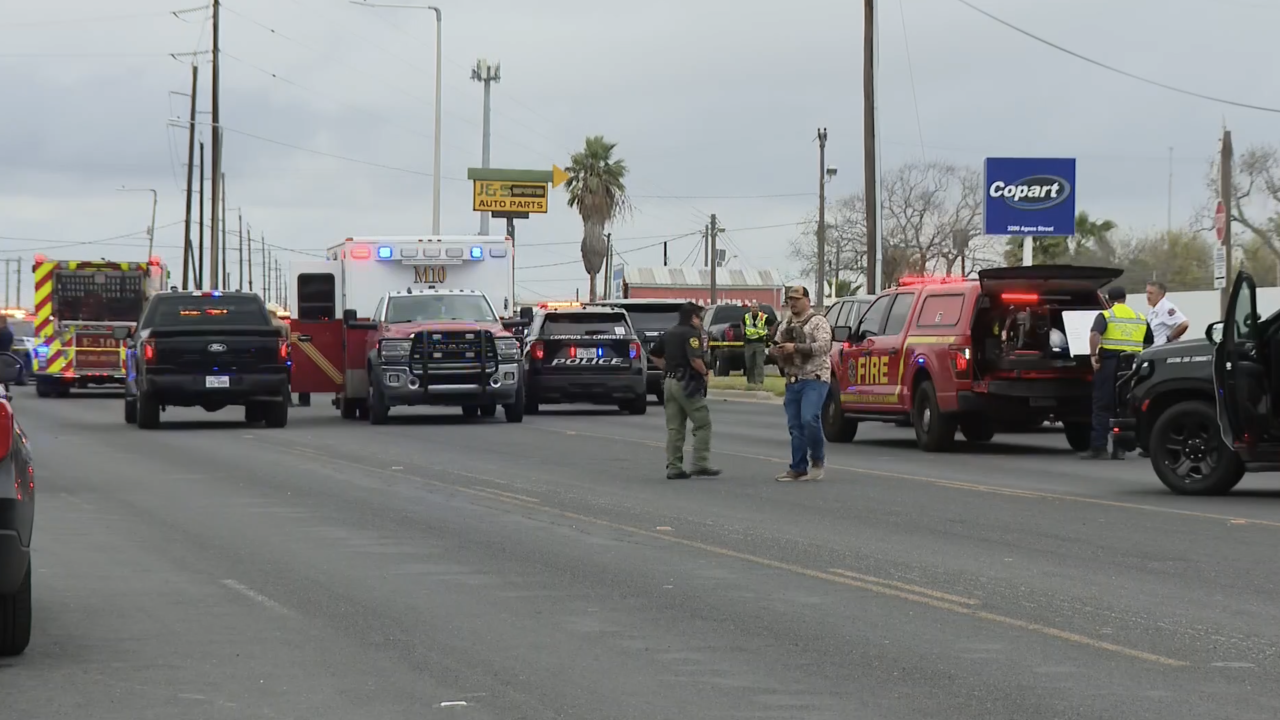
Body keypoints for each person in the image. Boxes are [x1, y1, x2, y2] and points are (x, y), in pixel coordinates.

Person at [648, 302, 721, 479]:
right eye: (700, 317)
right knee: (703, 423)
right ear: (693, 317)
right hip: (686, 382)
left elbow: (653, 354)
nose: (701, 321)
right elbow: (695, 359)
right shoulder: (691, 334)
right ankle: (700, 463)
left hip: (670, 382)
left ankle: (674, 467)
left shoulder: (670, 332)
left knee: (675, 427)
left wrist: (667, 367)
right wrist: (705, 373)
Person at [771, 285, 833, 481]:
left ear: (807, 300)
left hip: (814, 378)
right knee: (795, 425)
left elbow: (825, 346)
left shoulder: (818, 322)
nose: (793, 303)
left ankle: (817, 461)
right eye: (790, 299)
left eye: (797, 299)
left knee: (809, 419)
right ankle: (798, 467)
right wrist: (776, 351)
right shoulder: (785, 324)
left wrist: (796, 347)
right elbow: (775, 344)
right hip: (793, 379)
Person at [1083, 285, 1151, 460]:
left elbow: (1094, 334)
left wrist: (1093, 355)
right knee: (1125, 406)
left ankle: (1099, 448)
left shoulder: (1106, 315)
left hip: (1109, 363)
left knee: (1103, 404)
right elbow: (1149, 341)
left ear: (1108, 299)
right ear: (1125, 298)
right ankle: (1120, 449)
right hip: (1131, 365)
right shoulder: (1139, 317)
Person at [1144, 281, 1189, 346]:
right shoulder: (1153, 310)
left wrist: (1168, 340)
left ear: (1160, 295)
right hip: (1154, 351)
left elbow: (1184, 324)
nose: (1148, 296)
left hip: (1162, 351)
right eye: (1147, 292)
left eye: (1151, 293)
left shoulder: (1167, 308)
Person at [742, 300, 771, 390]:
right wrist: (744, 334)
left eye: (756, 307)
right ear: (750, 309)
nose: (755, 309)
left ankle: (759, 383)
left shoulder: (763, 317)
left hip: (760, 343)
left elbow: (774, 324)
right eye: (753, 307)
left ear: (759, 308)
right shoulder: (746, 317)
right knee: (749, 364)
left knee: (759, 364)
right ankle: (751, 382)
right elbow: (742, 324)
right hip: (749, 343)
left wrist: (770, 334)